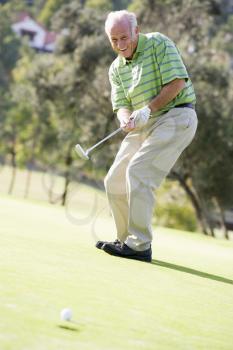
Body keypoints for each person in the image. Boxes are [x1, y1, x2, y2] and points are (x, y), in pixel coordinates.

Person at [96, 10, 198, 262]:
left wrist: (147, 109)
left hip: (176, 117)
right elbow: (121, 104)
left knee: (138, 171)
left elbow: (177, 83)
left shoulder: (158, 43)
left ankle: (140, 245)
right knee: (114, 180)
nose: (120, 45)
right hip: (144, 123)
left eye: (124, 38)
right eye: (114, 40)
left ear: (136, 32)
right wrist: (124, 118)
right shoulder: (116, 69)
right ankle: (125, 240)